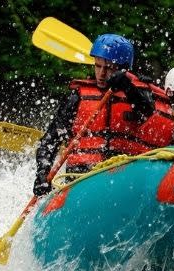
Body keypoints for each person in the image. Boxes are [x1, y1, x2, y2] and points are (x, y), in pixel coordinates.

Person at [33, 33, 147, 196]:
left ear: (123, 69)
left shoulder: (137, 95)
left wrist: (128, 87)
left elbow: (147, 111)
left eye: (108, 68)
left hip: (121, 181)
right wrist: (42, 174)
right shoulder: (78, 97)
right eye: (97, 66)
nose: (101, 73)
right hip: (80, 180)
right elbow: (50, 141)